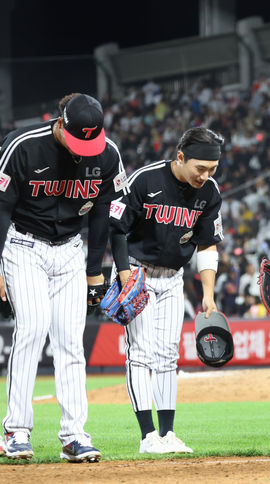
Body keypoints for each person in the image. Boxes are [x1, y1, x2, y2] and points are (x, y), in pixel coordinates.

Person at [0, 93, 127, 462]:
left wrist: (94, 272)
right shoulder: (23, 146)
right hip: (24, 246)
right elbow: (2, 208)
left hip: (71, 249)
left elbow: (103, 214)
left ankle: (74, 435)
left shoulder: (107, 154)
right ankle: (16, 431)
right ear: (59, 124)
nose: (84, 150)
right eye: (77, 141)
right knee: (33, 329)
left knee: (71, 341)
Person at [108, 127, 224, 454]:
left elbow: (207, 244)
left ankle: (168, 433)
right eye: (200, 168)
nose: (205, 175)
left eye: (212, 169)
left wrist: (209, 294)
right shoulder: (145, 180)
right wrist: (123, 273)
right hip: (138, 273)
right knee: (141, 353)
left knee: (168, 354)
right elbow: (116, 228)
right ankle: (147, 436)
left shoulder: (210, 192)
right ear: (181, 157)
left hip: (173, 277)